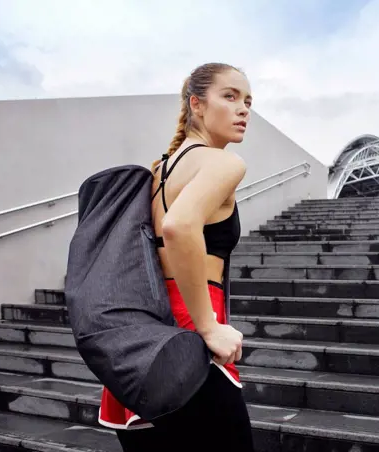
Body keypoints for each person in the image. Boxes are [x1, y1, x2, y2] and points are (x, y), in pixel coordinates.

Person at [97, 62, 255, 451]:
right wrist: (207, 326)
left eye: (249, 101)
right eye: (230, 96)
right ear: (197, 105)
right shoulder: (223, 162)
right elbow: (179, 228)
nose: (244, 109)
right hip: (188, 339)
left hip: (143, 338)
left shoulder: (159, 172)